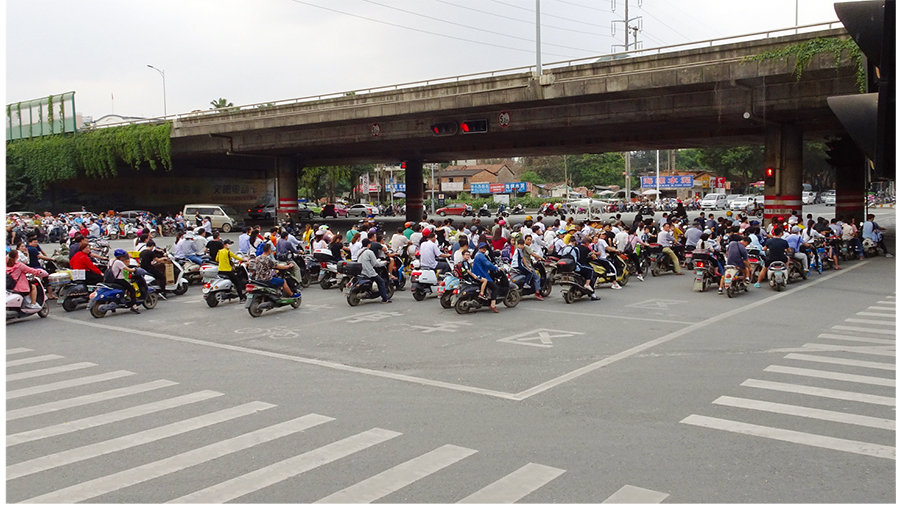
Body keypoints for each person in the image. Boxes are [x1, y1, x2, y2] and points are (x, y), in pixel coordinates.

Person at [108, 249, 142, 313]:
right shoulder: (118, 262)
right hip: (119, 280)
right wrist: (135, 269)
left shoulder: (111, 260)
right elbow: (128, 269)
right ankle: (134, 305)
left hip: (111, 279)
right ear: (121, 257)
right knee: (132, 289)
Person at [358, 239, 391, 303]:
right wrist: (384, 263)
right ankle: (384, 299)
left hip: (361, 271)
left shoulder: (359, 251)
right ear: (368, 244)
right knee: (381, 282)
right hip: (369, 272)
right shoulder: (369, 252)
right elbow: (375, 264)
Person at [471, 242, 500, 312]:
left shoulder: (478, 255)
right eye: (482, 247)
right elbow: (488, 264)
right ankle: (493, 305)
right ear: (479, 248)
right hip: (481, 274)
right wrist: (496, 268)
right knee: (495, 288)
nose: (484, 249)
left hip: (477, 273)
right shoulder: (480, 255)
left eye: (485, 247)